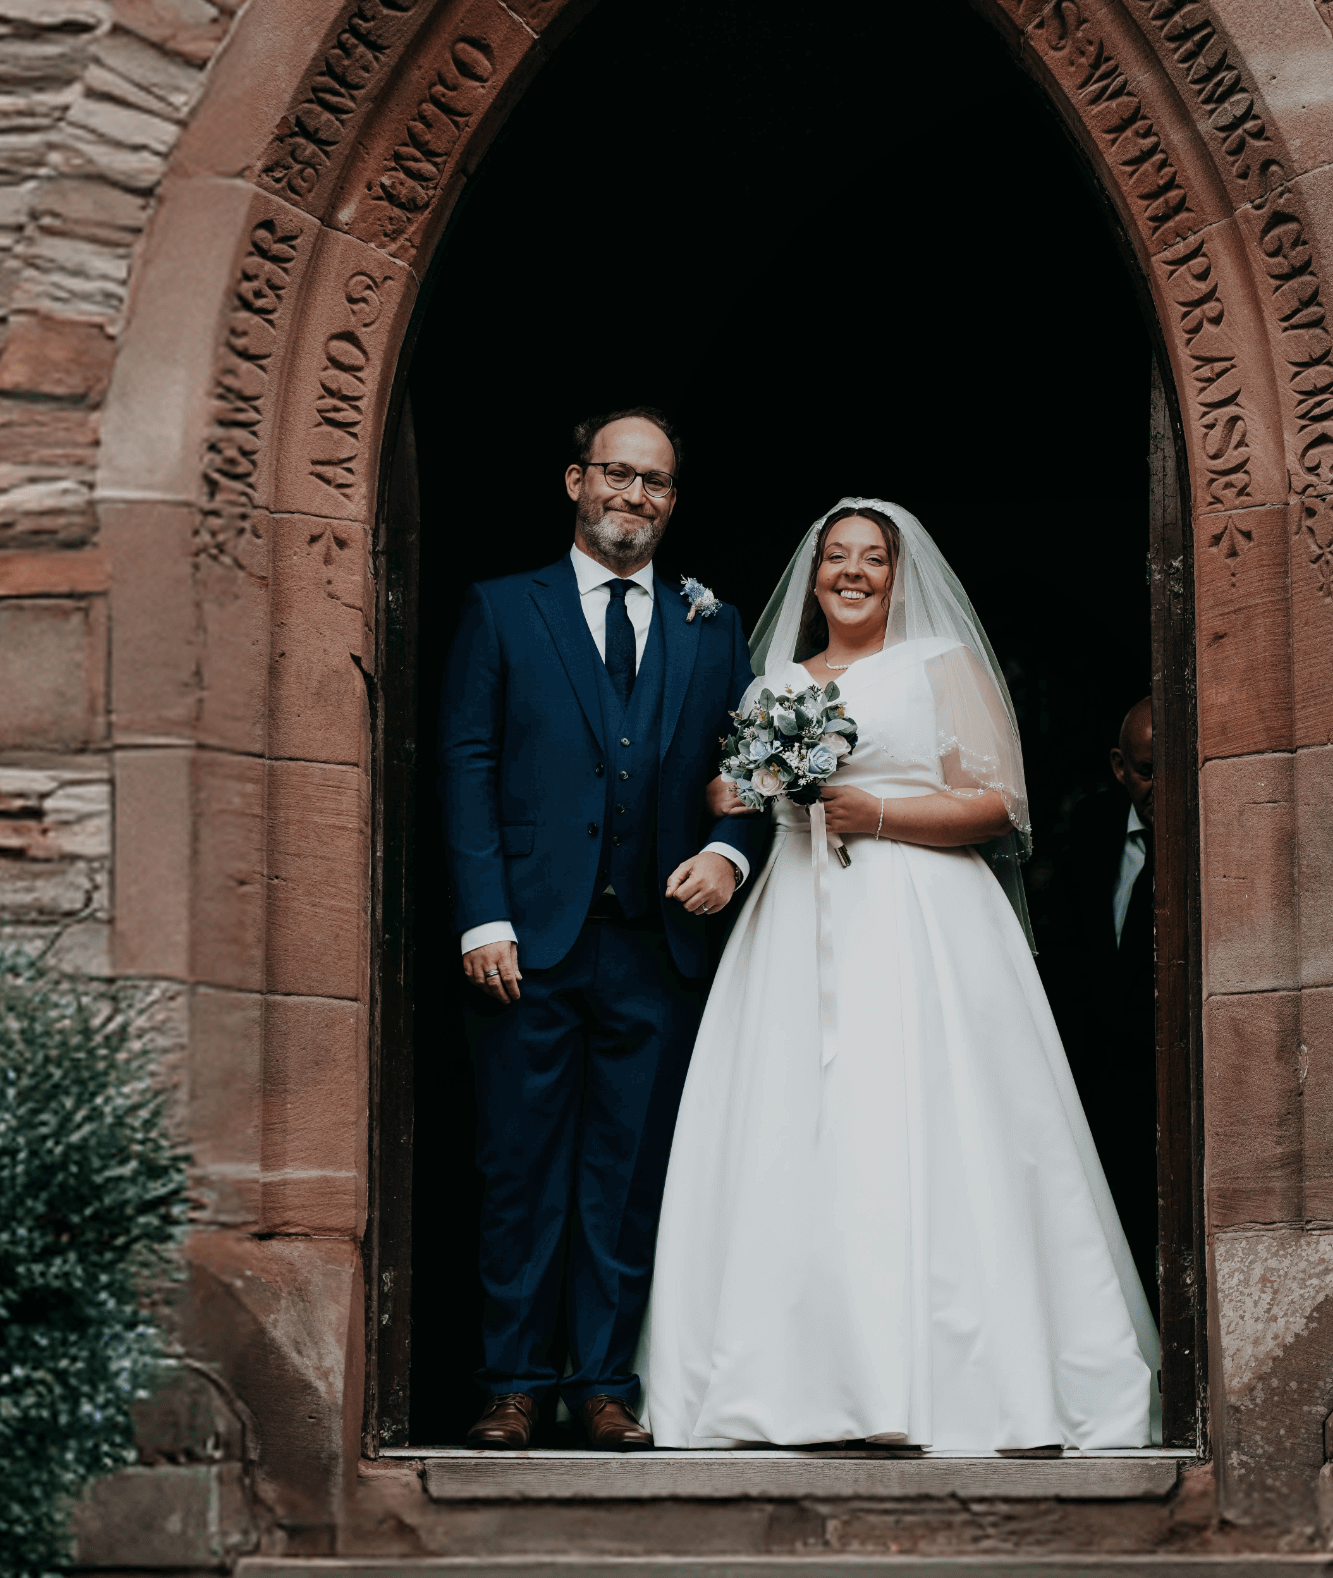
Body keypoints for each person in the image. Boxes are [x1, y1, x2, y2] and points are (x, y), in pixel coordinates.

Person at [640, 499, 1160, 1453]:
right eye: (836, 556)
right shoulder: (774, 685)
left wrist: (871, 809)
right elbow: (732, 792)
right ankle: (798, 1376)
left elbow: (1000, 805)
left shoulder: (939, 669)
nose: (852, 572)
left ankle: (953, 1378)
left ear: (897, 574)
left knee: (925, 1122)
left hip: (925, 918)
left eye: (871, 559)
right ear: (813, 573)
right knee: (792, 1126)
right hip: (796, 920)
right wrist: (743, 794)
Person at [435, 408, 764, 1454]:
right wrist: (483, 913)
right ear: (575, 481)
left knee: (627, 1176)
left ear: (673, 499)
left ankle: (604, 1384)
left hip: (654, 948)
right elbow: (468, 763)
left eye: (656, 481)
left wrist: (730, 852)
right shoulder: (500, 610)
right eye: (616, 474)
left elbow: (749, 763)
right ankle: (513, 1384)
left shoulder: (712, 624)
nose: (634, 496)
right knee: (518, 1170)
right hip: (525, 944)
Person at [1033, 693, 1160, 1293]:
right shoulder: (1090, 828)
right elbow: (1067, 951)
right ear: (1118, 766)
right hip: (1096, 1077)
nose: (1162, 787)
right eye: (1146, 771)